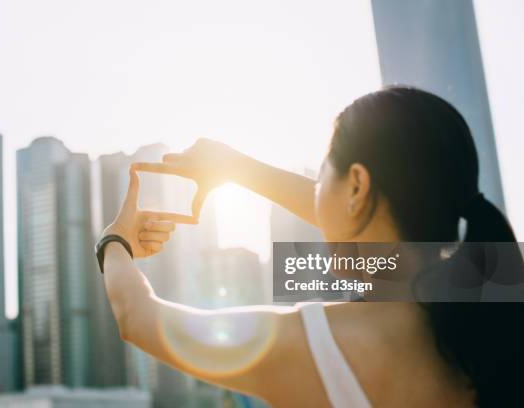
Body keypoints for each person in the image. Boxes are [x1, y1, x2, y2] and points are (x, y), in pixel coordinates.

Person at [96, 86, 523, 407]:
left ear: (356, 184)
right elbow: (378, 225)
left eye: (323, 177)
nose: (317, 195)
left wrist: (115, 240)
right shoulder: (501, 314)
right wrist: (236, 168)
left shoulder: (317, 344)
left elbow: (138, 317)